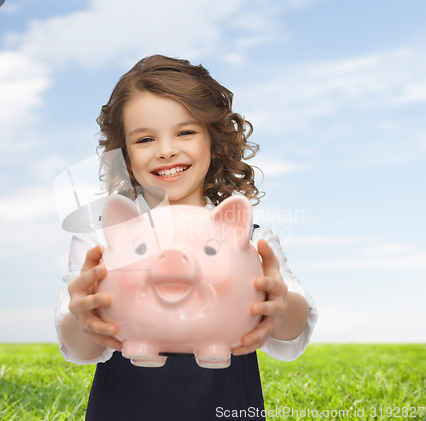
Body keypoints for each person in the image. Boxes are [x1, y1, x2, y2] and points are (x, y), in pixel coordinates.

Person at [55, 55, 317, 420]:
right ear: (125, 155)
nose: (166, 149)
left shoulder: (250, 239)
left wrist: (280, 306)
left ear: (214, 140)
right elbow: (77, 347)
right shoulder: (105, 238)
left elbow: (291, 331)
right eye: (145, 138)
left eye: (185, 132)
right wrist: (82, 317)